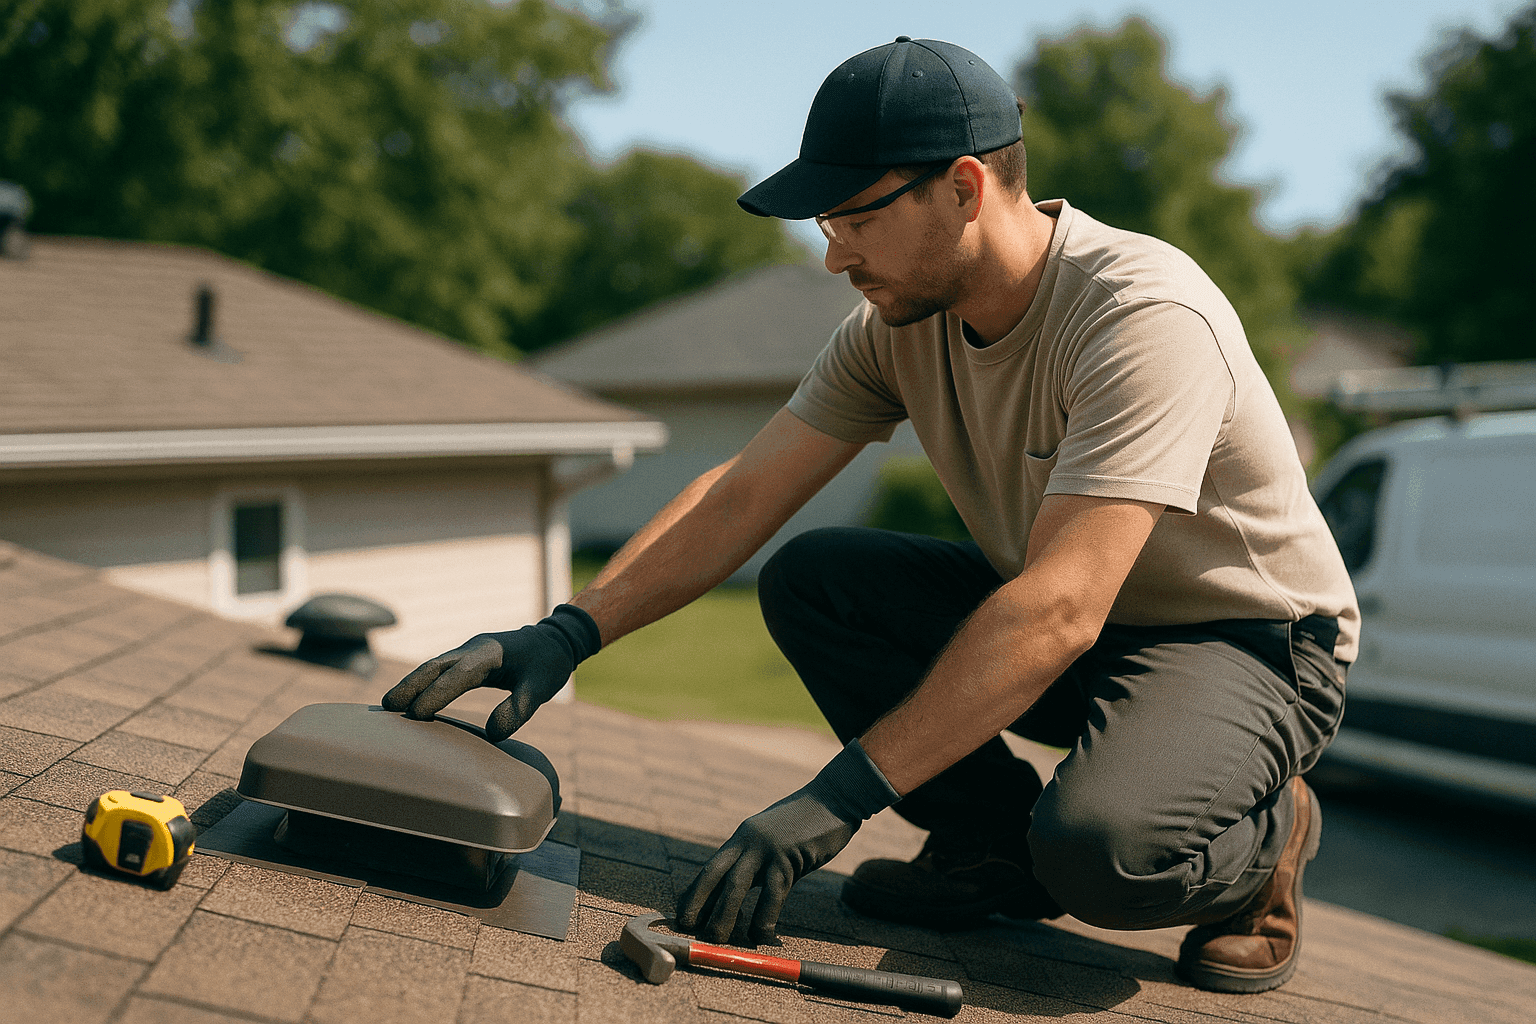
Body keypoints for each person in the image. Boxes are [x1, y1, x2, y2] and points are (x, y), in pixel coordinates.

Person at [383, 36, 1355, 994]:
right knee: (822, 580)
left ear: (965, 189)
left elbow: (1061, 607)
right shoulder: (898, 324)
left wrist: (836, 799)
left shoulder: (1141, 318)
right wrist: (570, 628)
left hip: (1248, 641)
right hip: (1076, 616)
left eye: (853, 216)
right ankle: (989, 848)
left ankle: (1268, 846)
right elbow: (743, 492)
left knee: (1101, 850)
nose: (832, 255)